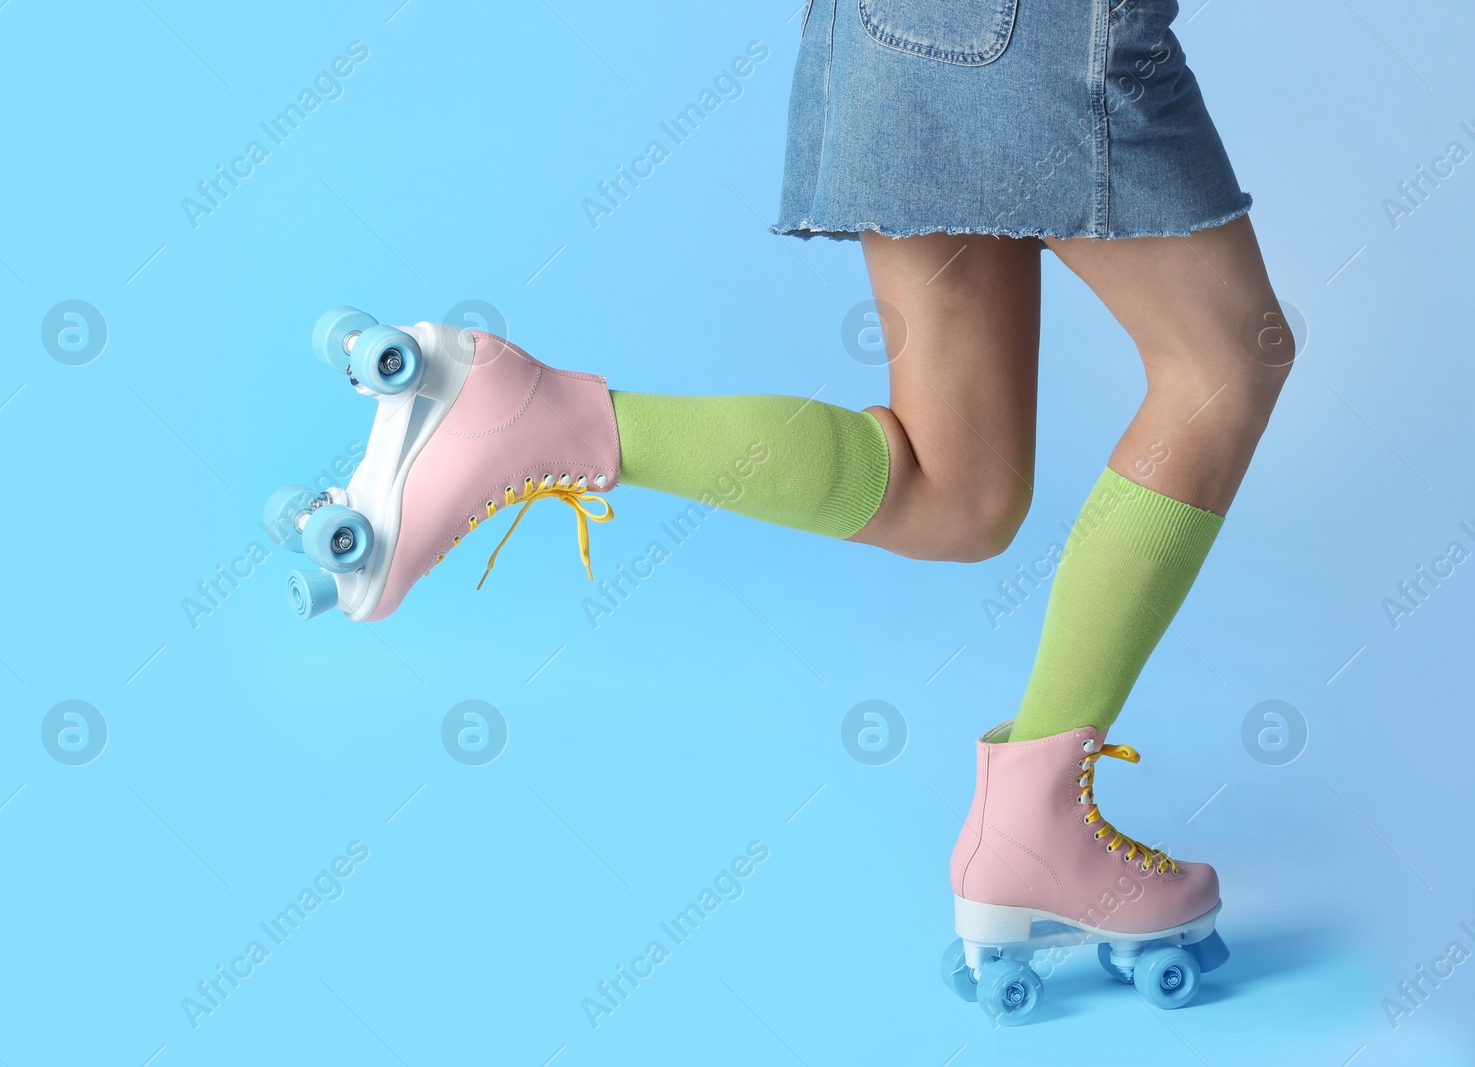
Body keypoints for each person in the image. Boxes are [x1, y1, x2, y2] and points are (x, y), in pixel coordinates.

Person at [277, 0, 1289, 1019]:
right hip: (1035, 26)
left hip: (889, 32)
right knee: (1219, 364)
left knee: (957, 492)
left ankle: (554, 422)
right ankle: (1033, 815)